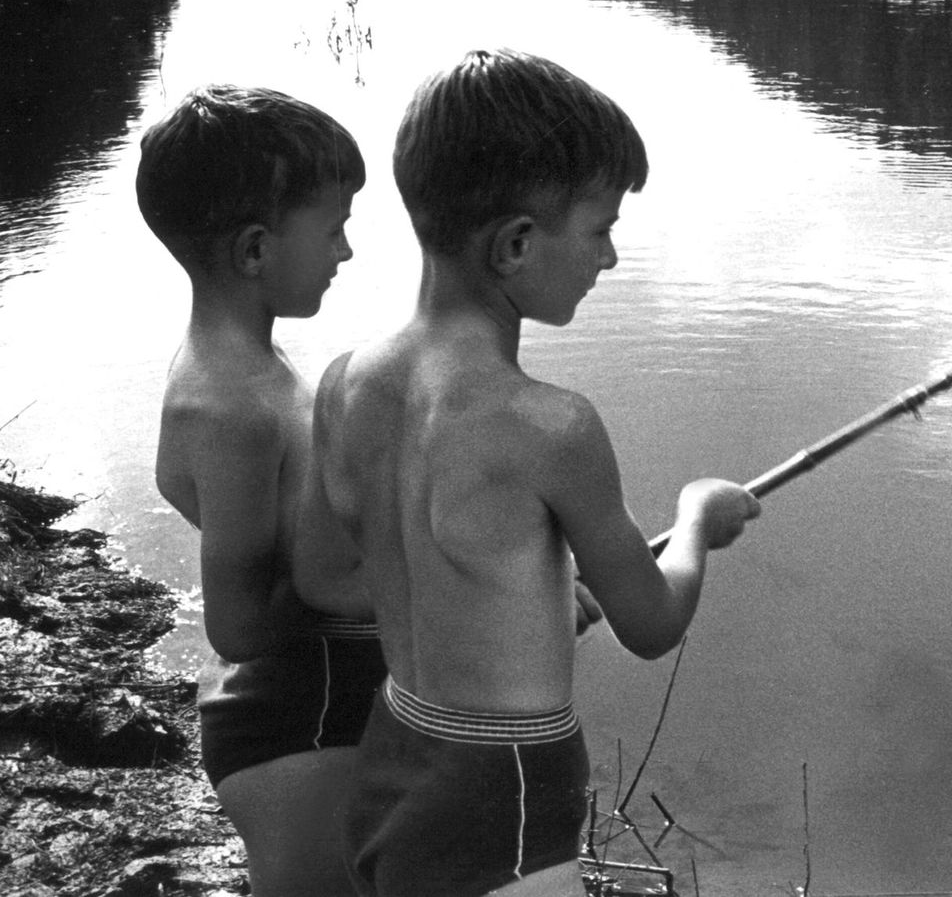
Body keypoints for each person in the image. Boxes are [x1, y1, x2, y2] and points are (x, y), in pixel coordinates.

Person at [301, 48, 760, 897]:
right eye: (600, 230)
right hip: (503, 795)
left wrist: (521, 610)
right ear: (516, 244)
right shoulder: (553, 427)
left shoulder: (343, 384)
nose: (609, 258)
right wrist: (699, 517)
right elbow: (652, 623)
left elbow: (327, 579)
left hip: (392, 754)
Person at [136, 85, 385, 897]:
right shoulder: (229, 407)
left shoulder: (247, 364)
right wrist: (406, 577)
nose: (346, 251)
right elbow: (240, 625)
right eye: (333, 228)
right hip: (297, 735)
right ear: (254, 251)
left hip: (319, 712)